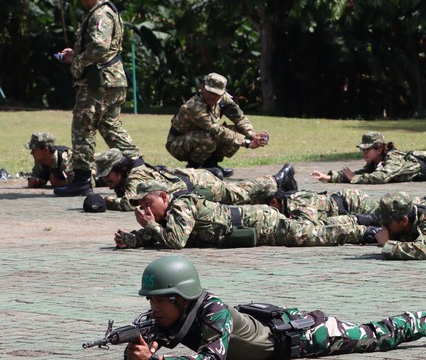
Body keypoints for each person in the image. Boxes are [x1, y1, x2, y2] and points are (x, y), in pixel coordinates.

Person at [122, 256, 426, 360]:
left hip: (308, 337)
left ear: (181, 298)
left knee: (380, 335)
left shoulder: (212, 310)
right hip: (286, 332)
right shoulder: (179, 318)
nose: (153, 309)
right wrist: (139, 351)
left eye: (159, 301)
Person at [54, 0, 142, 197]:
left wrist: (78, 62)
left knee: (83, 127)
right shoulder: (108, 11)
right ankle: (138, 168)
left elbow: (100, 47)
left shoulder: (100, 14)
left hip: (99, 83)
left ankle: (82, 179)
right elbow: (103, 48)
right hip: (110, 80)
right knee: (110, 126)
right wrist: (75, 54)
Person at [113, 181, 377, 249]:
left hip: (257, 221)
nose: (146, 211)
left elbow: (175, 241)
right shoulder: (168, 216)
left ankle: (363, 228)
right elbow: (166, 234)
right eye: (142, 207)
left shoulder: (181, 205)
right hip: (250, 223)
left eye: (148, 203)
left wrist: (149, 225)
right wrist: (133, 239)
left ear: (164, 196)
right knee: (310, 230)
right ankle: (359, 223)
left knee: (310, 234)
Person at [95, 148, 297, 211]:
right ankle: (278, 183)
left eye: (107, 174)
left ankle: (280, 179)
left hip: (198, 184)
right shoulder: (130, 175)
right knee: (239, 193)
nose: (105, 180)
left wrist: (105, 202)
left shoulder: (135, 177)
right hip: (193, 180)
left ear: (119, 169)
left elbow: (131, 204)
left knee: (240, 194)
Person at [165, 72, 269, 178]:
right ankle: (195, 168)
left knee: (236, 131)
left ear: (222, 93)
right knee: (213, 135)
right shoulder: (194, 106)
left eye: (216, 93)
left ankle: (211, 165)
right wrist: (247, 143)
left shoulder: (223, 100)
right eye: (209, 92)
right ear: (202, 87)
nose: (212, 96)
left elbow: (239, 118)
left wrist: (253, 136)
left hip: (198, 139)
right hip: (177, 144)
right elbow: (215, 129)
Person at [253, 186, 426, 223]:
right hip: (346, 201)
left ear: (274, 202)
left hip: (351, 204)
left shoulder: (296, 204)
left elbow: (308, 222)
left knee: (392, 211)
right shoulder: (291, 201)